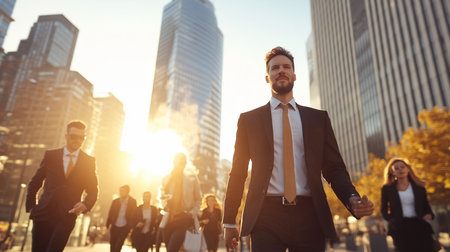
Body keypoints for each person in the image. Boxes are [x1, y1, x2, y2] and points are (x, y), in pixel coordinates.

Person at [223, 47, 374, 252]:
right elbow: (238, 172)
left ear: (294, 75)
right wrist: (229, 221)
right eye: (275, 68)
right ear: (267, 77)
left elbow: (334, 168)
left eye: (286, 67)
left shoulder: (318, 119)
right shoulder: (249, 120)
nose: (281, 71)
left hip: (310, 215)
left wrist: (352, 197)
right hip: (265, 216)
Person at [25, 120, 98, 252]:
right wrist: (31, 207)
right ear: (66, 136)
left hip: (67, 215)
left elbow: (93, 190)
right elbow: (35, 182)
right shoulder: (51, 155)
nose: (77, 140)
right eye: (73, 136)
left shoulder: (89, 162)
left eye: (81, 137)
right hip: (43, 213)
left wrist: (85, 204)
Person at [381, 158, 435, 252]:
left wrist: (429, 214)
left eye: (402, 167)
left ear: (408, 169)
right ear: (392, 172)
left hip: (419, 225)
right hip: (400, 228)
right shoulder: (387, 189)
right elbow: (383, 209)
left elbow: (426, 206)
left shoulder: (419, 187)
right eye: (396, 168)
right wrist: (392, 221)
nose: (400, 170)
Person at [161, 153, 202, 252]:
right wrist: (164, 204)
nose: (182, 164)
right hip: (169, 219)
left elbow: (198, 199)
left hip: (184, 218)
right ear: (174, 162)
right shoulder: (166, 178)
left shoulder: (192, 178)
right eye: (180, 162)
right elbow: (161, 196)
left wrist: (192, 212)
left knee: (172, 249)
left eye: (184, 162)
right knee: (170, 248)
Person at [106, 185, 137, 252]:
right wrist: (108, 224)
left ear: (127, 192)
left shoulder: (132, 201)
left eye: (123, 191)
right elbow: (110, 212)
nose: (121, 192)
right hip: (115, 225)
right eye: (120, 191)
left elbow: (134, 214)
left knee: (118, 245)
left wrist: (131, 226)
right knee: (112, 245)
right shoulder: (116, 201)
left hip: (125, 226)